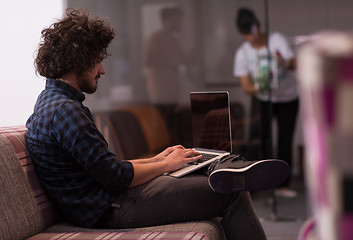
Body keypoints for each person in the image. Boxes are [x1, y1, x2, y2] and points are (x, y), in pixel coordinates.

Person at [26, 8, 289, 240]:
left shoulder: (53, 102)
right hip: (107, 210)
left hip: (105, 201)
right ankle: (231, 169)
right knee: (230, 191)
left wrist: (159, 159)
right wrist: (164, 165)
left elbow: (107, 167)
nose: (102, 70)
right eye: (98, 60)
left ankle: (225, 165)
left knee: (190, 166)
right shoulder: (64, 112)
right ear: (78, 61)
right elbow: (116, 176)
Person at [233, 7, 299, 198]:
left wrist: (284, 63)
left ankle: (282, 185)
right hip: (263, 99)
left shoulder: (276, 39)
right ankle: (258, 185)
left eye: (252, 31)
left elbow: (294, 63)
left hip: (288, 98)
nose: (251, 38)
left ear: (259, 26)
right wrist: (261, 87)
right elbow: (246, 86)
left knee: (285, 141)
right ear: (242, 34)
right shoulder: (242, 53)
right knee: (260, 140)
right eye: (246, 34)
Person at [144, 7, 184, 105]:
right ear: (168, 19)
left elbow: (182, 59)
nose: (180, 23)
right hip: (160, 96)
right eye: (177, 19)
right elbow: (150, 60)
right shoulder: (155, 38)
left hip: (173, 93)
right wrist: (172, 62)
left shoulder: (175, 41)